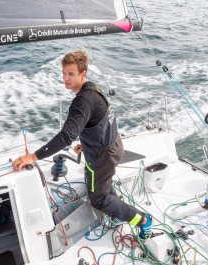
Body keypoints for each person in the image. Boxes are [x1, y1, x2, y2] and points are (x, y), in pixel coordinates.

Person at [12, 50, 152, 239]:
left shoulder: (82, 102)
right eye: (64, 73)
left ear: (82, 74)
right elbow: (99, 120)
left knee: (99, 199)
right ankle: (118, 214)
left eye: (71, 74)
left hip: (102, 156)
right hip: (113, 145)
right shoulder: (93, 89)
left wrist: (32, 157)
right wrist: (86, 144)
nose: (66, 79)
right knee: (103, 184)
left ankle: (142, 220)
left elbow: (65, 137)